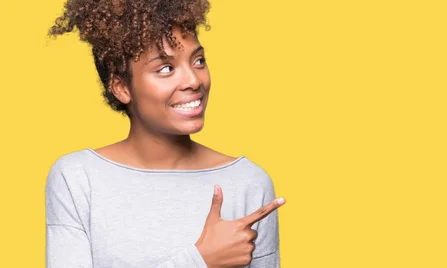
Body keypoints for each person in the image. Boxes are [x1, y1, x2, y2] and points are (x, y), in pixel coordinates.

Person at [44, 0, 285, 267]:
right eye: (166, 69)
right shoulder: (78, 179)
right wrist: (200, 261)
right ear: (121, 88)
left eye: (198, 61)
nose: (194, 80)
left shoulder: (248, 183)